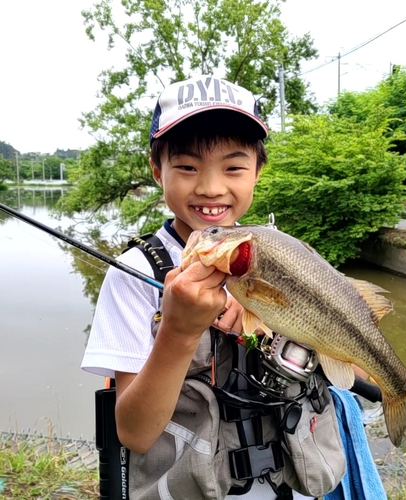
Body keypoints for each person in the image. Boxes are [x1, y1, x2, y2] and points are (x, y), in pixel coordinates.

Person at [82, 75, 346, 500]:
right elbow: (133, 433)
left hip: (291, 487)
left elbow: (346, 359)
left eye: (234, 167)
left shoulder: (283, 255)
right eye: (186, 166)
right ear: (157, 170)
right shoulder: (131, 274)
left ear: (257, 172)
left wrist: (267, 324)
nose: (209, 187)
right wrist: (179, 331)